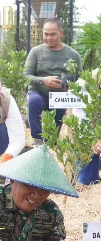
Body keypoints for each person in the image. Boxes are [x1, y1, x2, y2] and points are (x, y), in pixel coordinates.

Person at [24, 17, 82, 146]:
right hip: (39, 93)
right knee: (33, 101)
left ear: (61, 33)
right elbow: (26, 75)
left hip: (60, 96)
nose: (48, 37)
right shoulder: (36, 52)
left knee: (53, 136)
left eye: (53, 34)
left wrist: (71, 87)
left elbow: (80, 78)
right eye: (46, 34)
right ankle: (37, 139)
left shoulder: (73, 55)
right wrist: (43, 80)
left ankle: (52, 141)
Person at [74, 69, 100, 185]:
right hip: (90, 135)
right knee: (85, 181)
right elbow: (81, 121)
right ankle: (87, 176)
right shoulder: (84, 90)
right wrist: (95, 139)